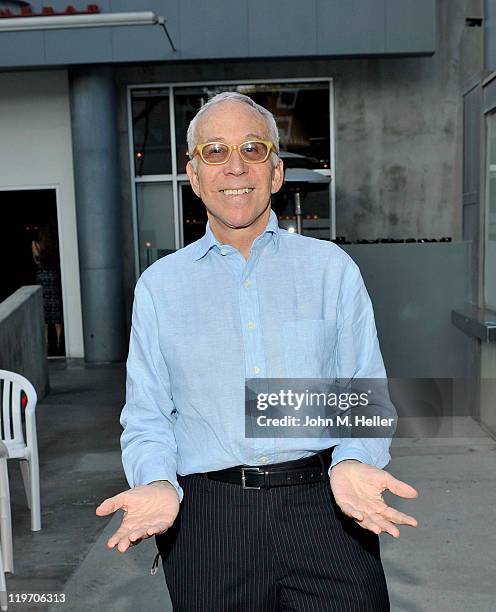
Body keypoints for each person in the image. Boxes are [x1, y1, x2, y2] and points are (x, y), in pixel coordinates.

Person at [97, 92, 418, 611]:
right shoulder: (160, 287)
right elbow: (148, 415)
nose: (235, 166)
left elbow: (364, 395)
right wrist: (157, 481)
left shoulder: (330, 269)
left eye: (252, 147)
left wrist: (354, 460)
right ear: (194, 176)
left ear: (276, 172)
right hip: (209, 521)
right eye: (214, 152)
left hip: (326, 508)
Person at [31, 222, 64, 353]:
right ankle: (58, 340)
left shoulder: (35, 244)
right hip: (53, 276)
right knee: (56, 309)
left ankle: (45, 343)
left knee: (44, 311)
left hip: (42, 278)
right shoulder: (55, 244)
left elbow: (36, 260)